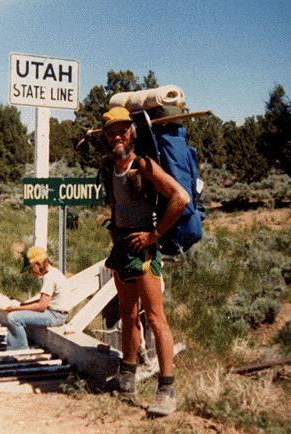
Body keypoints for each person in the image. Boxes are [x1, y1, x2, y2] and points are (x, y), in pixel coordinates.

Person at [99, 106, 189, 417]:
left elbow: (180, 197)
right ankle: (127, 379)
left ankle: (167, 390)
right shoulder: (111, 168)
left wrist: (153, 236)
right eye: (112, 132)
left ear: (132, 133)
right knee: (127, 313)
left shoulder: (144, 164)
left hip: (145, 251)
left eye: (123, 130)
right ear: (106, 137)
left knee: (155, 318)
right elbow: (116, 207)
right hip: (122, 248)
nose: (118, 136)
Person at [5, 246, 70, 350]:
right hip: (57, 314)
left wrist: (16, 308)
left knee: (13, 318)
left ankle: (19, 349)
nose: (31, 273)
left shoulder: (49, 278)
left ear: (37, 264)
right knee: (16, 315)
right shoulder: (54, 272)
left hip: (55, 316)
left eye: (30, 269)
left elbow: (41, 306)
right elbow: (44, 301)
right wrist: (22, 305)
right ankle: (13, 343)